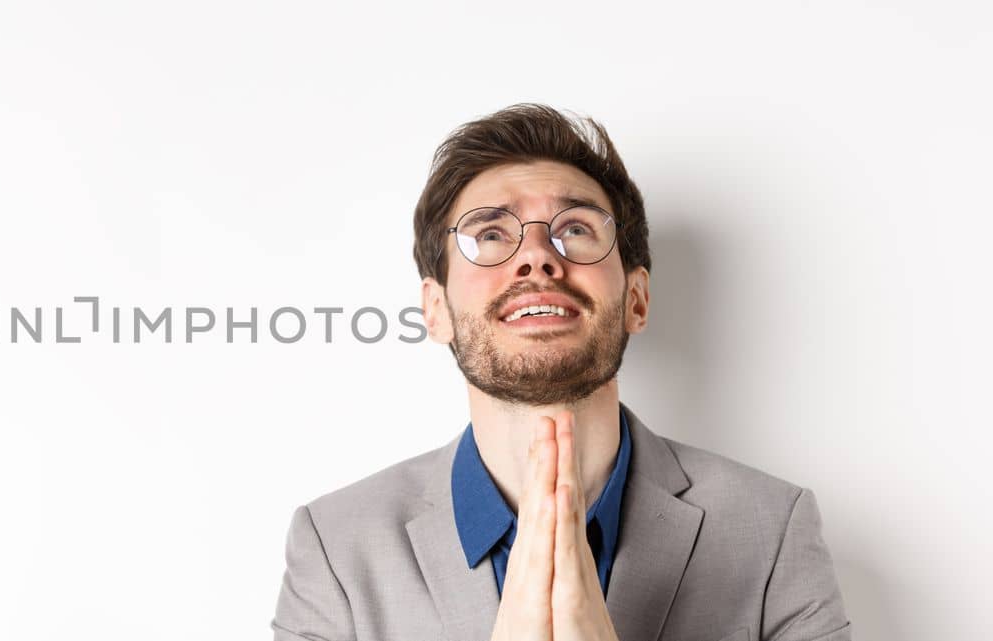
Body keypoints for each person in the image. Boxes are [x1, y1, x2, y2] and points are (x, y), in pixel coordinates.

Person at [270, 104, 851, 641]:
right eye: (490, 234)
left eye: (574, 228)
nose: (536, 255)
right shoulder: (336, 549)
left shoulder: (773, 530)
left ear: (637, 299)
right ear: (436, 309)